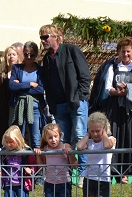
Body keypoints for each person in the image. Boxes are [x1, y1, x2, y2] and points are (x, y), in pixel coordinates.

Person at [39, 24, 91, 169]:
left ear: (55, 37)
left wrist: (81, 96)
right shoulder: (46, 59)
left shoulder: (71, 50)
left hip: (76, 102)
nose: (42, 41)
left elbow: (85, 76)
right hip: (59, 105)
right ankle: (66, 172)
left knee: (80, 136)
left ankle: (82, 172)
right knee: (64, 139)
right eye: (41, 38)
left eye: (45, 37)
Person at [102, 36, 132, 180]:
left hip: (131, 107)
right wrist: (119, 91)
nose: (125, 54)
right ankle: (115, 171)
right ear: (118, 52)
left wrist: (128, 90)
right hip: (115, 106)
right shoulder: (112, 68)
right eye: (123, 51)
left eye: (128, 51)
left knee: (130, 136)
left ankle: (127, 171)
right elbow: (108, 88)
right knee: (115, 136)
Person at [9, 42, 46, 153]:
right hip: (19, 107)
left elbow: (40, 89)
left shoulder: (40, 70)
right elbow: (11, 86)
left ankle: (37, 167)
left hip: (34, 107)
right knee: (18, 138)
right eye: (26, 54)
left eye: (32, 55)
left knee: (36, 139)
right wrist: (29, 84)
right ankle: (20, 167)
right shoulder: (17, 68)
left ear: (36, 56)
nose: (29, 57)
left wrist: (19, 85)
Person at [0, 44, 24, 138]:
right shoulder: (1, 76)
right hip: (3, 110)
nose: (11, 57)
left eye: (13, 54)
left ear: (17, 56)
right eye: (9, 54)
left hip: (16, 108)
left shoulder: (21, 74)